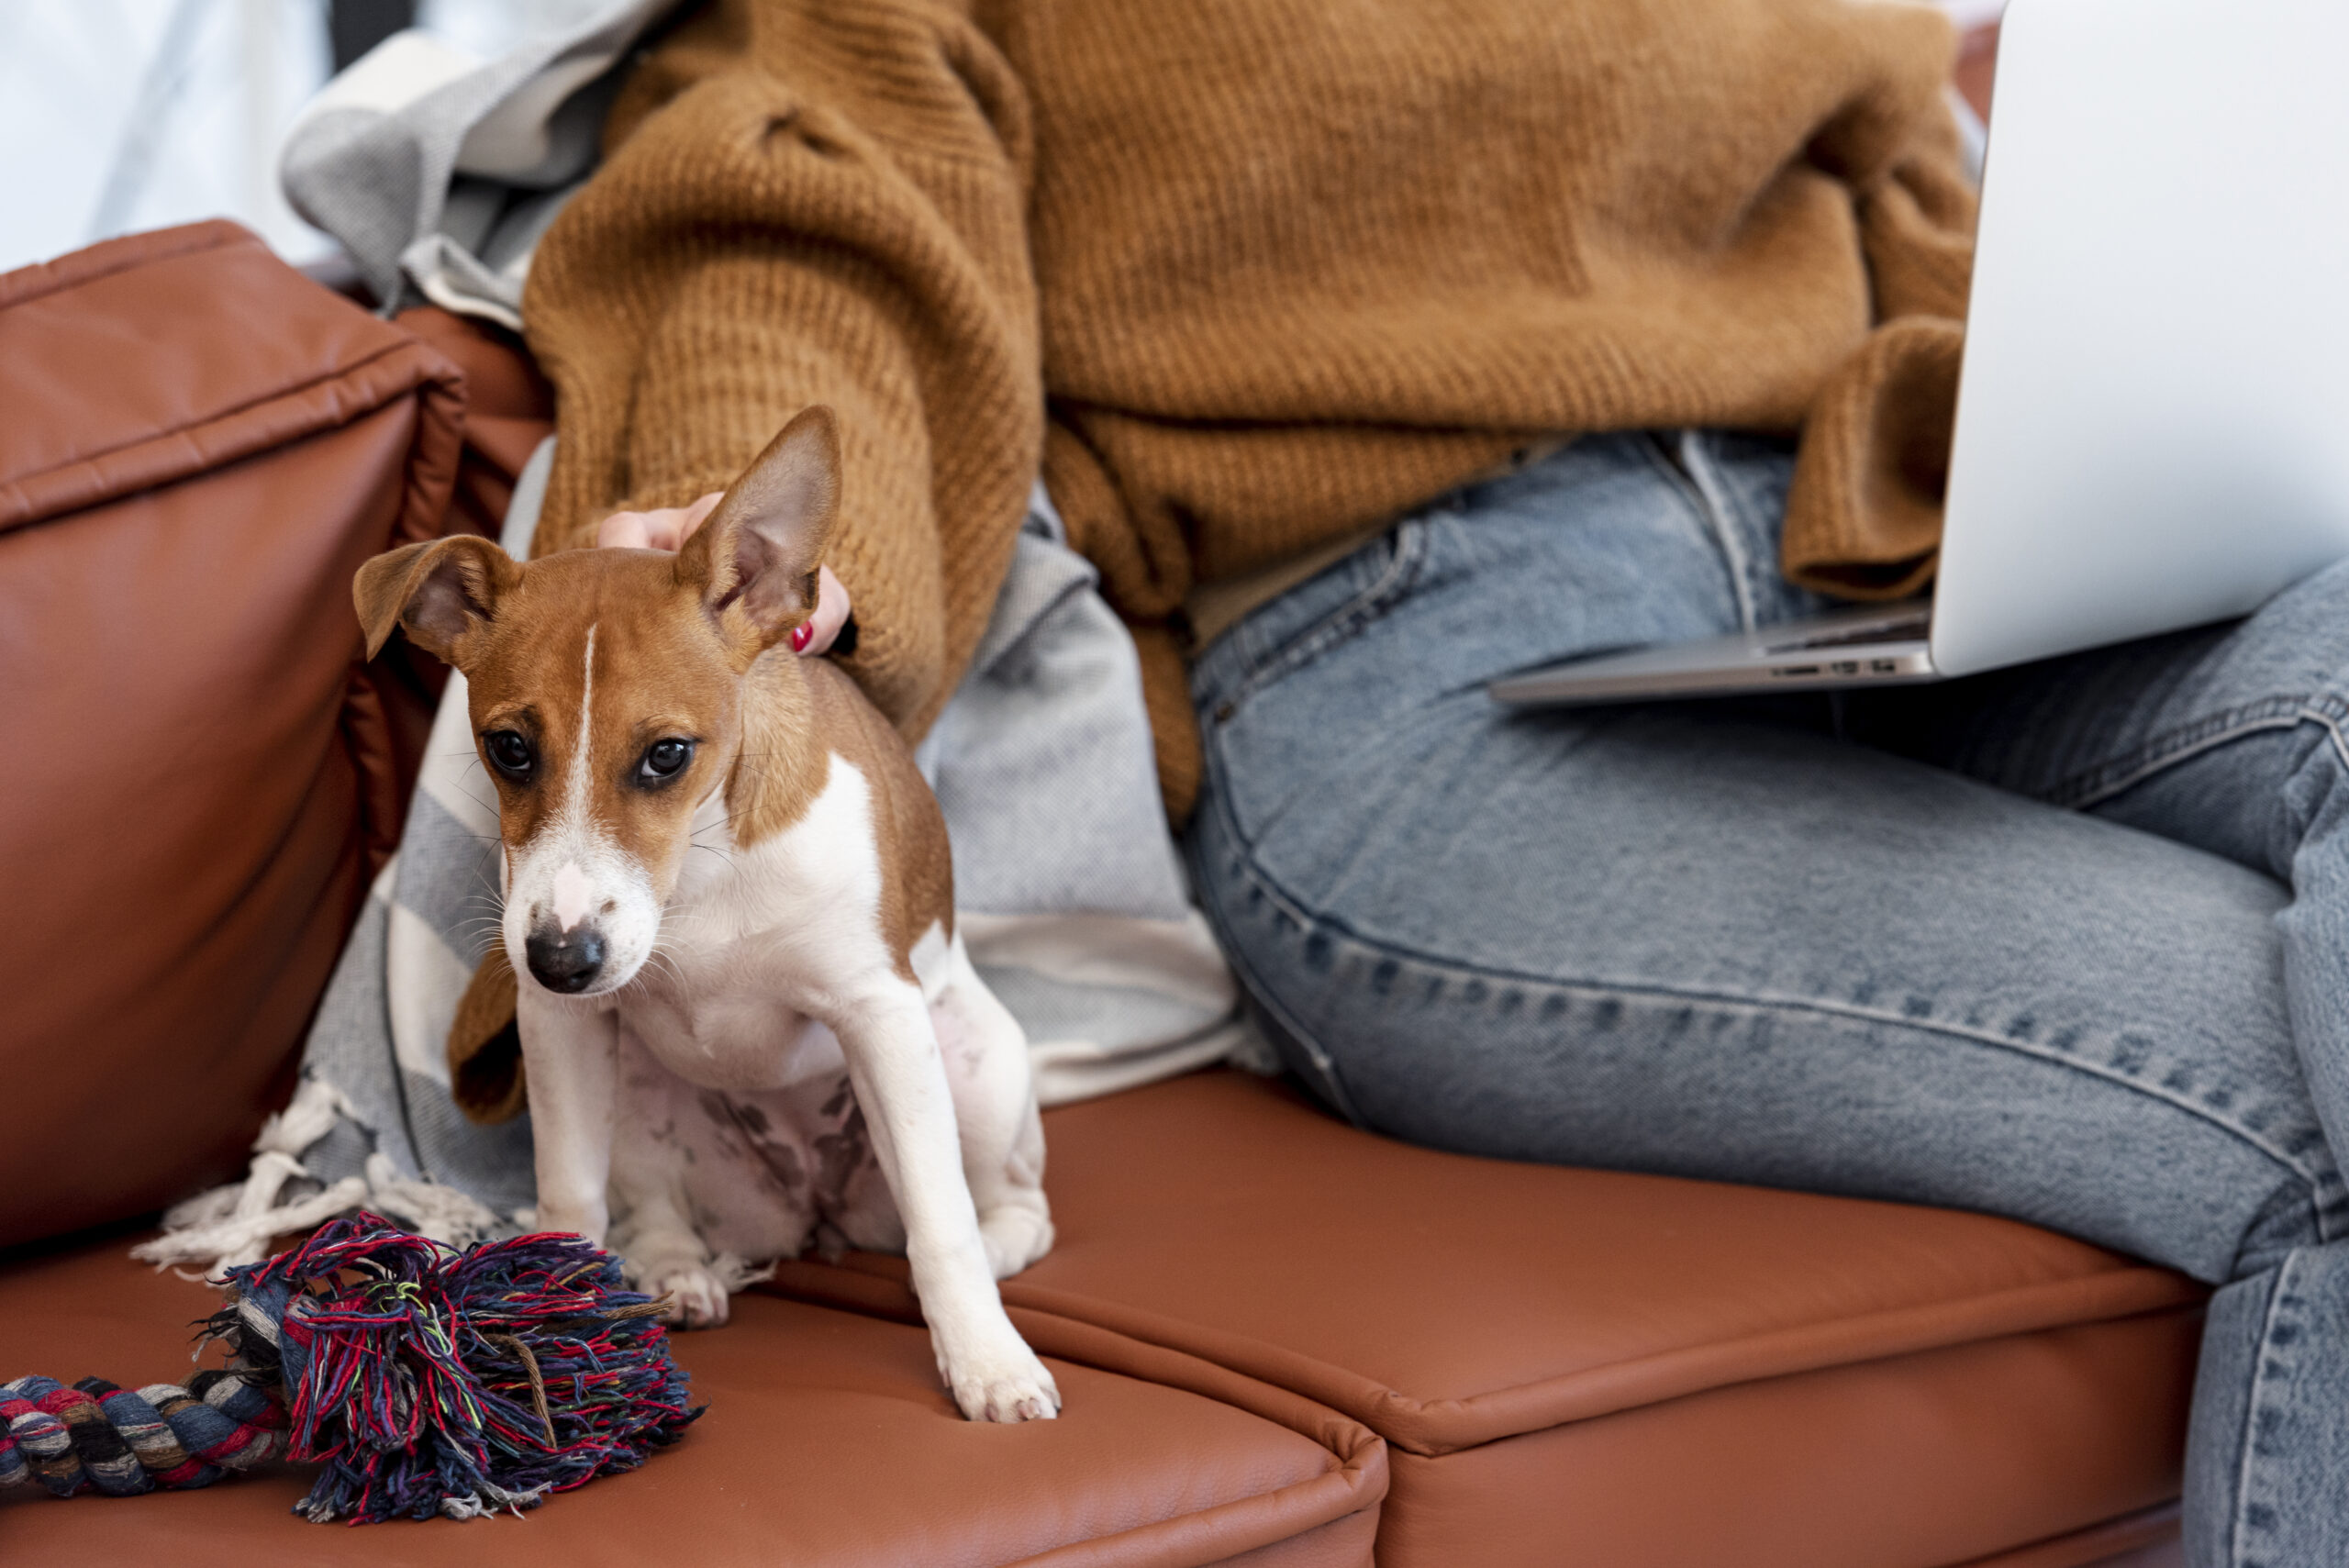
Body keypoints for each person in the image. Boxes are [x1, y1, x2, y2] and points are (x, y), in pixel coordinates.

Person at [533, 2, 2339, 1560]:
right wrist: (721, 540)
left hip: (1883, 548)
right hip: (1413, 675)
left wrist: (2092, 434)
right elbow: (803, 192)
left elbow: (1907, 176)